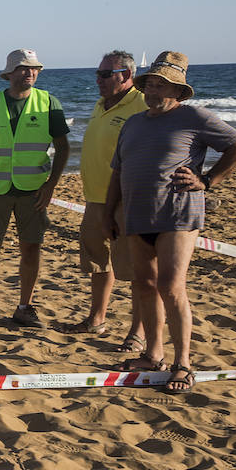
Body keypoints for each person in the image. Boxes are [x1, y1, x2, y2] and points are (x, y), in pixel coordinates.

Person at [106, 51, 236, 393]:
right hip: (136, 215)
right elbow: (118, 171)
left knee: (172, 287)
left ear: (178, 91)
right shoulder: (133, 123)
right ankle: (153, 354)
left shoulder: (195, 117)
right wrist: (107, 212)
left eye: (163, 85)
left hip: (178, 214)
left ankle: (183, 363)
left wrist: (208, 180)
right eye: (151, 84)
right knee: (144, 285)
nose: (154, 91)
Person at [0, 48, 70, 328]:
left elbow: (62, 147)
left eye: (34, 68)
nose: (30, 72)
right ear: (10, 73)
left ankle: (24, 307)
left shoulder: (48, 102)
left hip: (33, 191)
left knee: (31, 249)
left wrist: (51, 185)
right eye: (23, 68)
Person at [58, 51, 147, 349]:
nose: (98, 79)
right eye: (97, 74)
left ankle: (138, 331)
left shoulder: (142, 103)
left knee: (136, 270)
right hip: (94, 199)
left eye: (105, 74)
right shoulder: (100, 104)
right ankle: (97, 319)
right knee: (98, 263)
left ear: (126, 75)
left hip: (127, 201)